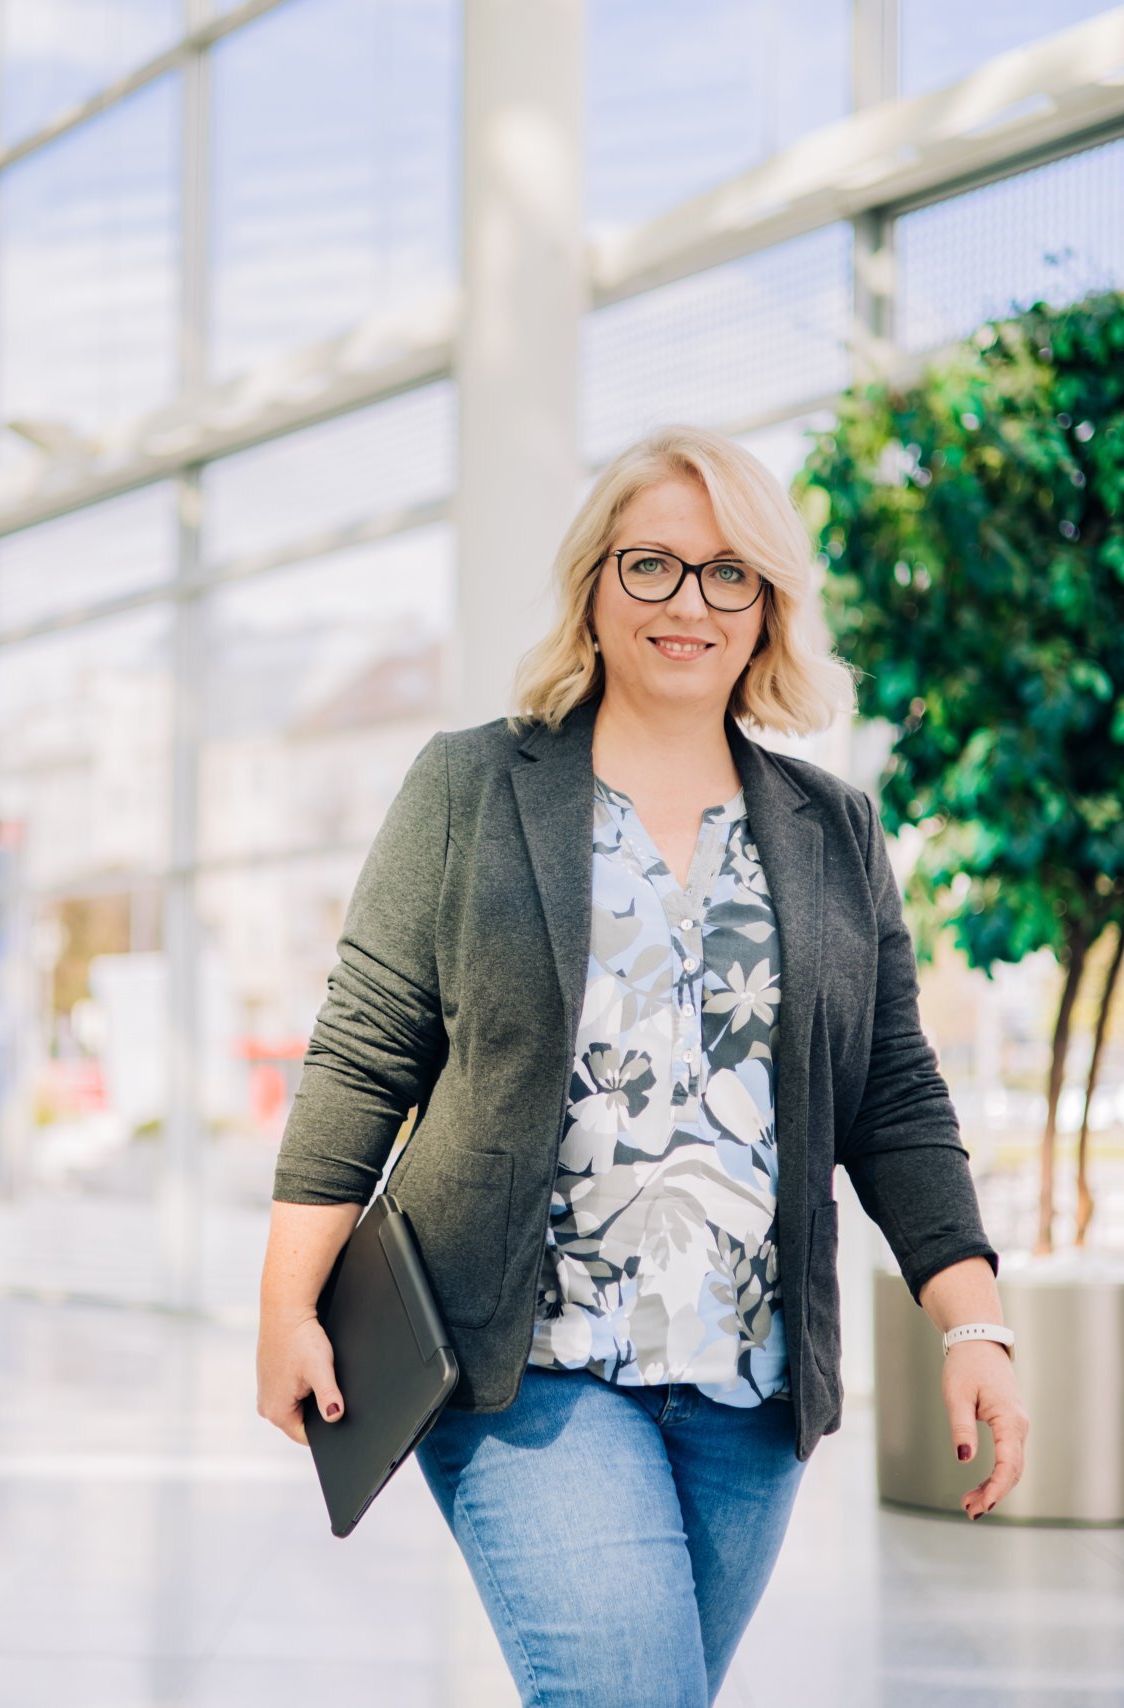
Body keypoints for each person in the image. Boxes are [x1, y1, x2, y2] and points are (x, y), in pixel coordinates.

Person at [255, 423, 1028, 1708]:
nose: (689, 603)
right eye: (652, 566)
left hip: (751, 1389)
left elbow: (891, 1094)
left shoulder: (832, 829)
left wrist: (974, 1321)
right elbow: (361, 1051)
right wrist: (287, 1307)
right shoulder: (469, 788)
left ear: (767, 607)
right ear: (595, 588)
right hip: (525, 1368)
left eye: (730, 574)